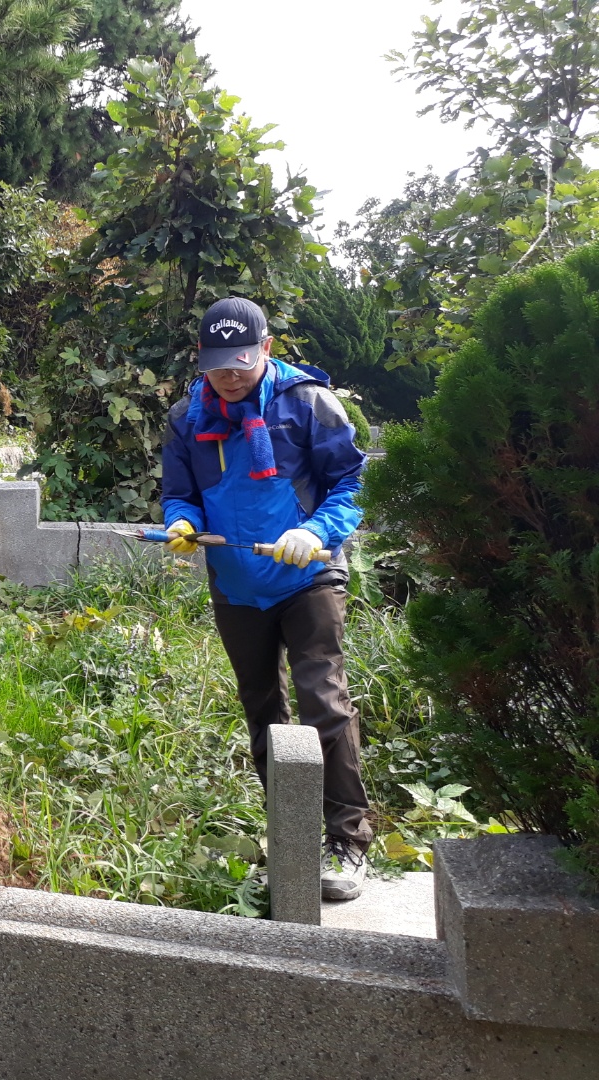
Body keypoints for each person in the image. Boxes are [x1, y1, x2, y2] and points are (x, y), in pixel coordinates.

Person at [160, 296, 371, 900]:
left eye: (241, 363)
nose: (229, 376)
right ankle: (292, 834)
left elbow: (351, 483)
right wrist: (179, 522)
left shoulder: (306, 403)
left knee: (322, 700)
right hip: (236, 583)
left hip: (309, 576)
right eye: (217, 364)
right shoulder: (187, 418)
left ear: (268, 350)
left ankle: (346, 842)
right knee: (262, 709)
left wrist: (317, 532)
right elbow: (181, 492)